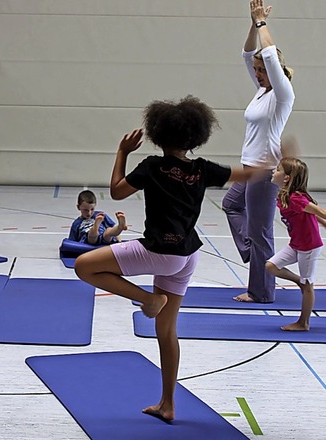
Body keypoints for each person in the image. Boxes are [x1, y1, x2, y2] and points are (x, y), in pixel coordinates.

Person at [74, 96, 257, 422]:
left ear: (158, 134)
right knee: (166, 332)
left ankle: (147, 298)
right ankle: (168, 404)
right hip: (188, 256)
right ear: (195, 136)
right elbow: (245, 174)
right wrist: (276, 168)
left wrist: (122, 152)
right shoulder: (203, 169)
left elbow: (116, 192)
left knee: (84, 266)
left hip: (159, 252)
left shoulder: (152, 166)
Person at [222, 0, 295, 303]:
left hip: (265, 171)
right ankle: (254, 250)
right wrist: (253, 23)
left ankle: (261, 292)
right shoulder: (261, 91)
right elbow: (248, 53)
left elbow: (267, 54)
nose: (257, 74)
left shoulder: (282, 94)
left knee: (262, 229)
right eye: (256, 71)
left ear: (272, 71)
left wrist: (264, 24)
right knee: (231, 205)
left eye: (261, 71)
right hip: (249, 167)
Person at [266, 158, 326, 331]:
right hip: (296, 244)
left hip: (309, 246)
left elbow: (320, 212)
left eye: (277, 170)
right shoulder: (284, 194)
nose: (273, 172)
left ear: (286, 177)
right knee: (271, 266)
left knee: (308, 286)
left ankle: (303, 323)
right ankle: (299, 282)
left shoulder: (296, 198)